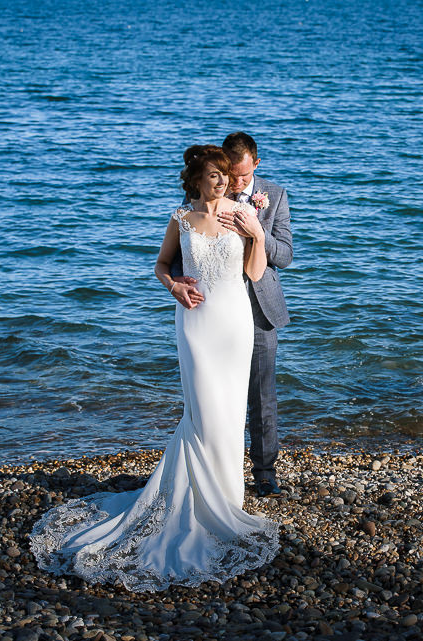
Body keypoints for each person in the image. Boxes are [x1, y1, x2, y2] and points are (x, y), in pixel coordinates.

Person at [29, 145, 279, 592]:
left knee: (228, 411)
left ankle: (227, 499)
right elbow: (162, 265)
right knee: (203, 411)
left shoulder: (243, 214)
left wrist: (256, 234)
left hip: (235, 324)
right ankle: (203, 502)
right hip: (197, 323)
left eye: (224, 174)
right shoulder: (181, 218)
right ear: (196, 180)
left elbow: (256, 275)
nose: (221, 181)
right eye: (212, 175)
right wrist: (174, 286)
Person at [170, 132, 292, 497]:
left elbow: (284, 255)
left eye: (242, 176)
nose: (235, 183)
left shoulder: (275, 195)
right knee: (212, 395)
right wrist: (176, 282)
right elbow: (185, 249)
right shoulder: (198, 198)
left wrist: (256, 233)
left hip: (256, 308)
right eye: (229, 174)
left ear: (256, 164)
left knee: (261, 395)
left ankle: (264, 473)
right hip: (209, 310)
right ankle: (214, 473)